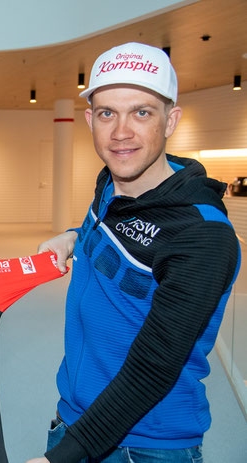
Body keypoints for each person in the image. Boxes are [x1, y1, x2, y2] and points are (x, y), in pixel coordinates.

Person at [29, 43, 240, 463]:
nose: (120, 132)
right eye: (107, 113)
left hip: (145, 446)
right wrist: (73, 236)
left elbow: (153, 367)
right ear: (90, 120)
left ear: (171, 121)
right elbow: (108, 228)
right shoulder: (110, 183)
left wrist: (65, 456)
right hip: (72, 418)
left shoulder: (202, 235)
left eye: (141, 112)